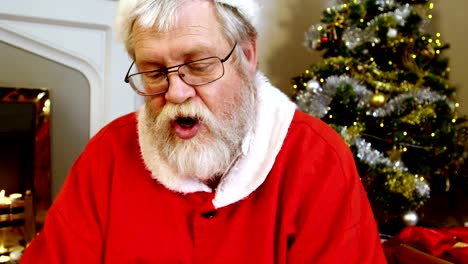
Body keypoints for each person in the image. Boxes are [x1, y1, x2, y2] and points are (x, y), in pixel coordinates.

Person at [21, 0, 386, 263]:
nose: (176, 92)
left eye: (198, 64)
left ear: (247, 53)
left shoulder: (318, 160)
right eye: (154, 72)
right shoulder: (108, 154)